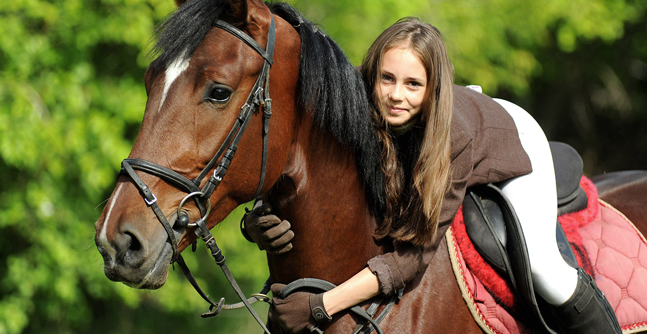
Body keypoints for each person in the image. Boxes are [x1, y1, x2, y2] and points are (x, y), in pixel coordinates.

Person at [243, 17, 621, 334]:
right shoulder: (354, 96)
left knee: (548, 273)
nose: (395, 95)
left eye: (413, 85)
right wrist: (256, 219)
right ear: (372, 73)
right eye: (386, 78)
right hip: (444, 128)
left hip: (508, 136)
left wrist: (322, 306)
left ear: (431, 89)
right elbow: (298, 162)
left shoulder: (451, 140)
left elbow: (410, 259)